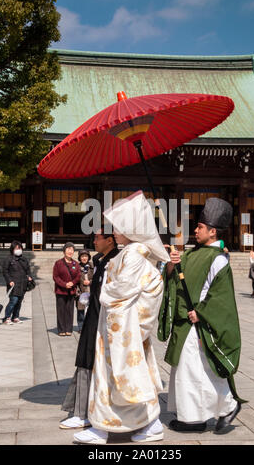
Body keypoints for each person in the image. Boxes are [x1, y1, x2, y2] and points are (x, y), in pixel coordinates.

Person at [73, 190, 170, 444]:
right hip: (121, 325)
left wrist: (101, 288)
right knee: (128, 376)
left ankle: (107, 427)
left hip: (122, 326)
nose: (114, 232)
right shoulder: (130, 251)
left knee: (118, 375)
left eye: (118, 227)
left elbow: (122, 289)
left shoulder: (135, 253)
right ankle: (145, 423)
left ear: (131, 228)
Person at [158, 197, 246, 434]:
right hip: (185, 321)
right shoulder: (190, 254)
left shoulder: (218, 259)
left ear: (212, 231)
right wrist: (171, 265)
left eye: (199, 227)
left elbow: (221, 296)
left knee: (196, 368)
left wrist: (203, 313)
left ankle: (219, 409)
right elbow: (174, 280)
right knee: (191, 369)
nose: (195, 230)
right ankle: (197, 415)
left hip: (198, 322)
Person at [60, 227, 119, 430]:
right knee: (86, 359)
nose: (94, 241)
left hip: (106, 319)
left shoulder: (116, 261)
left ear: (110, 240)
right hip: (94, 315)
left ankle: (88, 412)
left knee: (97, 362)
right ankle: (81, 410)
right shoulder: (101, 260)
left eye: (97, 237)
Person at [1, 240, 33, 325]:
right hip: (13, 284)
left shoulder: (24, 259)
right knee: (13, 301)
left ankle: (15, 317)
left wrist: (29, 276)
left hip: (23, 284)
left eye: (20, 248)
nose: (18, 250)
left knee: (19, 302)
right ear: (12, 249)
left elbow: (28, 270)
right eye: (16, 248)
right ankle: (6, 318)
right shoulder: (8, 259)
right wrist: (9, 281)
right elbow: (5, 271)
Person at [53, 242, 81, 336]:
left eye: (72, 249)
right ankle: (61, 329)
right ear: (64, 251)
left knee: (69, 310)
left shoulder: (75, 263)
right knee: (61, 310)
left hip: (71, 290)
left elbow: (78, 276)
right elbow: (55, 277)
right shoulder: (58, 263)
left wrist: (72, 283)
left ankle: (69, 329)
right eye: (68, 249)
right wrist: (64, 284)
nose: (70, 251)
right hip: (61, 290)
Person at [76, 249, 93, 334]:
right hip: (81, 291)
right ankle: (81, 327)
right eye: (82, 256)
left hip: (91, 290)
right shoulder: (77, 267)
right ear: (79, 258)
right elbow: (75, 278)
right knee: (80, 310)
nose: (84, 258)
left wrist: (90, 282)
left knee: (91, 310)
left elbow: (97, 277)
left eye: (86, 256)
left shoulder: (92, 267)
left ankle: (90, 326)